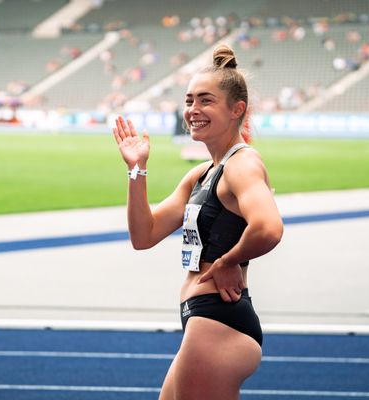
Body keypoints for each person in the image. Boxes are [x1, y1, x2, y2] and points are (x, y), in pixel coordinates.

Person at [112, 44, 283, 400]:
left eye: (206, 101)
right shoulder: (202, 174)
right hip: (202, 320)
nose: (193, 110)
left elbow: (268, 228)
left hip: (219, 324)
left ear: (238, 110)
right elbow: (144, 236)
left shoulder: (242, 165)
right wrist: (136, 170)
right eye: (189, 101)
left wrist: (227, 260)